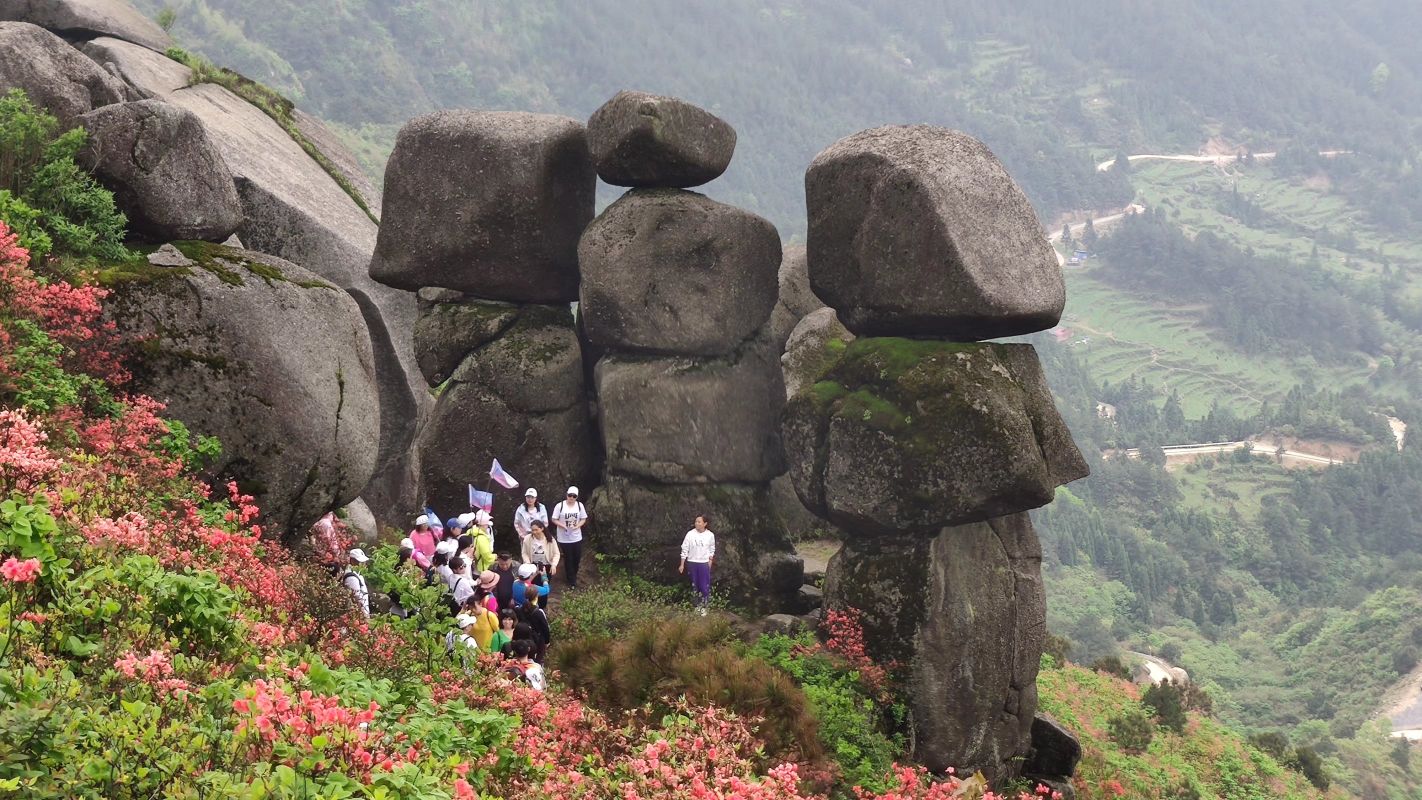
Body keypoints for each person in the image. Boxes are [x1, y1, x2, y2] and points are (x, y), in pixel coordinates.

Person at [678, 515, 716, 616]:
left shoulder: (710, 535)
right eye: (696, 521)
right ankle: (697, 606)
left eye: (699, 522)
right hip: (692, 562)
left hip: (703, 563)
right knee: (694, 585)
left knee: (704, 586)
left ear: (705, 524)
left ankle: (704, 606)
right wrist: (682, 564)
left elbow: (712, 549)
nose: (697, 523)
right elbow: (685, 548)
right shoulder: (690, 534)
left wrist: (710, 561)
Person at [553, 486, 588, 589]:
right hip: (564, 537)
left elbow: (583, 518)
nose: (571, 498)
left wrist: (577, 526)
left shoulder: (579, 505)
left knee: (577, 557)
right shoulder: (560, 506)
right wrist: (563, 525)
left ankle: (574, 574)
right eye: (570, 495)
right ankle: (571, 580)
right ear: (566, 494)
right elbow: (554, 519)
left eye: (574, 496)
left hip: (576, 536)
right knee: (569, 558)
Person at [521, 520, 560, 594]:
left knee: (544, 586)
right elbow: (524, 553)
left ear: (542, 528)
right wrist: (528, 563)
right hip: (533, 565)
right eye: (532, 530)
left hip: (546, 566)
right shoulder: (527, 539)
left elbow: (556, 553)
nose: (534, 532)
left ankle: (543, 604)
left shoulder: (550, 539)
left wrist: (554, 565)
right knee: (533, 586)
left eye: (536, 530)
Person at [342, 548, 371, 617]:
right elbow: (357, 598)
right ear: (352, 561)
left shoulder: (357, 574)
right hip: (357, 616)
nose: (364, 564)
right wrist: (364, 616)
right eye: (360, 561)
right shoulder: (351, 578)